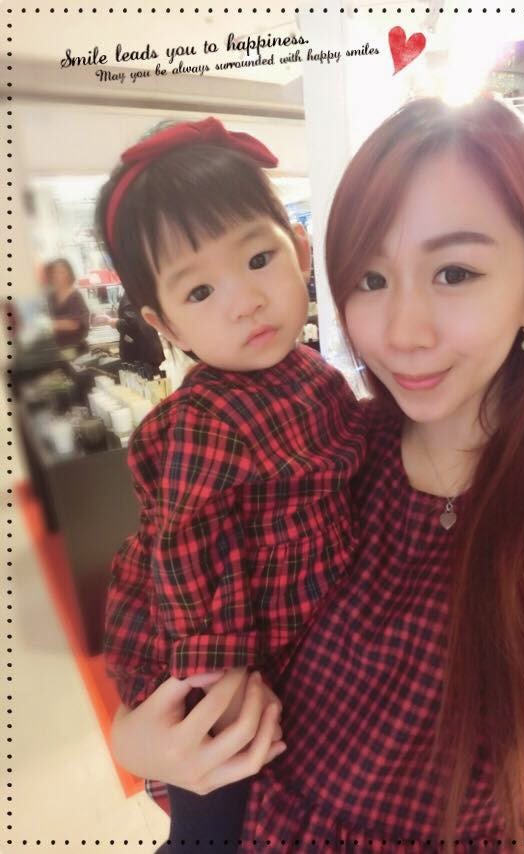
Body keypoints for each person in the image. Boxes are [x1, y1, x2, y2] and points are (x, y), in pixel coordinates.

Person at [108, 96, 524, 852]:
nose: (402, 333)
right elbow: (162, 592)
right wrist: (135, 738)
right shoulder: (317, 456)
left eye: (454, 271)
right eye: (370, 278)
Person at [95, 117, 367, 850]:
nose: (244, 300)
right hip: (211, 641)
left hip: (294, 613)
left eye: (257, 258)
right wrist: (216, 670)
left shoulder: (315, 373)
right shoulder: (204, 419)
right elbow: (186, 547)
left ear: (299, 250)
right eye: (200, 290)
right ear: (165, 324)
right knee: (219, 786)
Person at [43, 257, 90, 350]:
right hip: (58, 346)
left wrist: (50, 324)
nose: (56, 275)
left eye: (61, 272)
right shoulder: (51, 296)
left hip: (74, 347)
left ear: (69, 274)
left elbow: (75, 323)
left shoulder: (75, 296)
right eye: (54, 272)